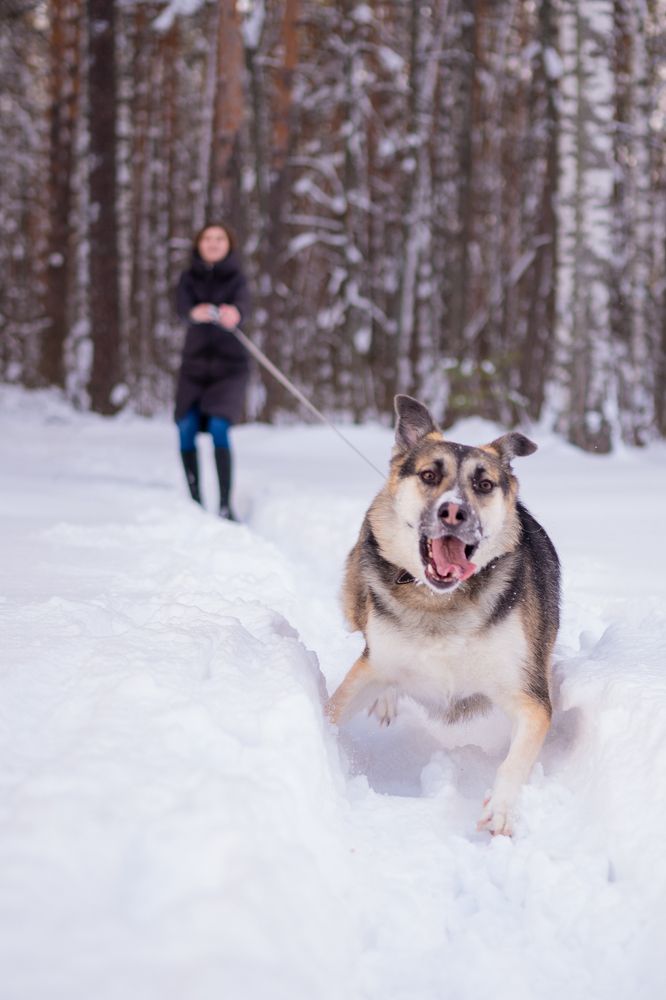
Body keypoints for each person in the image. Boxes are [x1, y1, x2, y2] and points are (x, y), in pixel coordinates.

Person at [174, 223, 250, 520]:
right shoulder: (188, 277)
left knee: (219, 426)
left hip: (230, 367)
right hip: (193, 367)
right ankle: (194, 501)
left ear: (228, 244)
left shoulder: (238, 278)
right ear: (199, 243)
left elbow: (244, 305)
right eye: (208, 238)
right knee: (185, 428)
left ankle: (225, 504)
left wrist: (234, 314)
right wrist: (195, 313)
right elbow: (181, 307)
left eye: (220, 238)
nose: (214, 243)